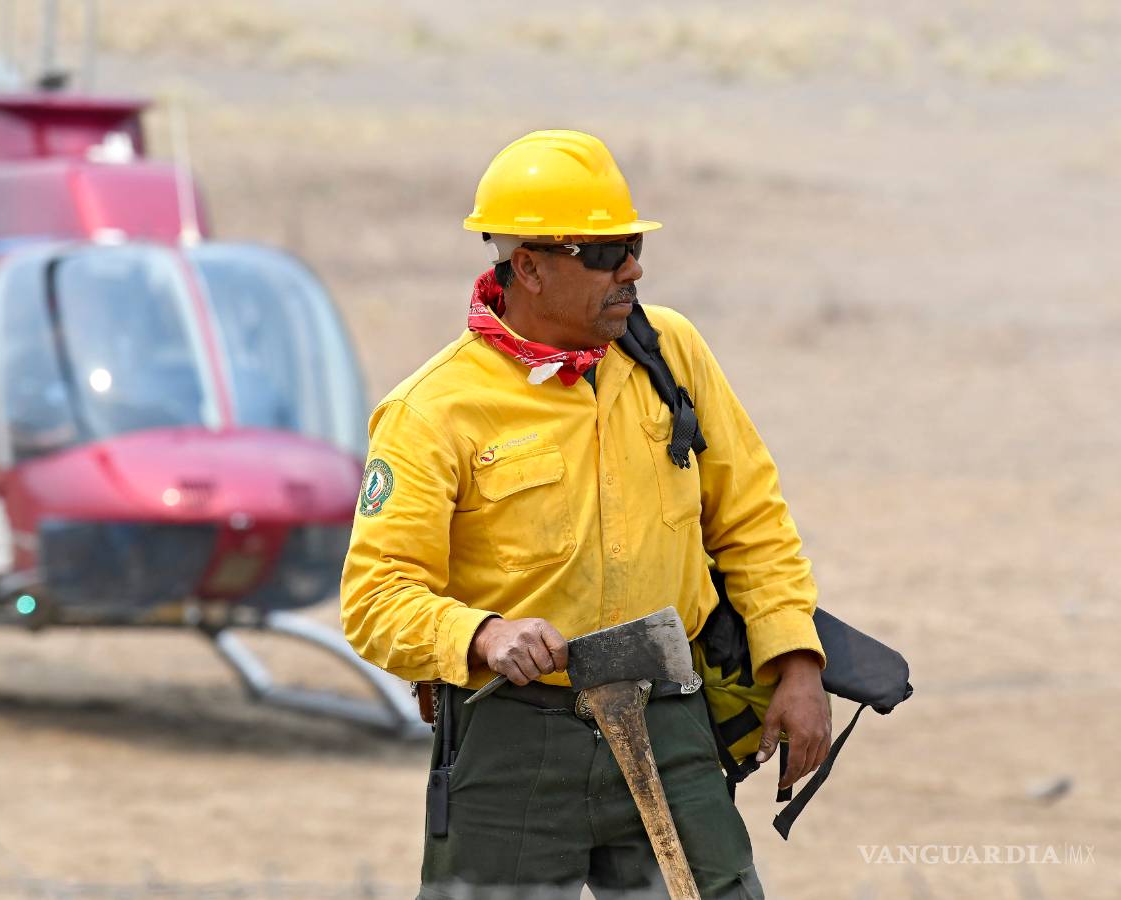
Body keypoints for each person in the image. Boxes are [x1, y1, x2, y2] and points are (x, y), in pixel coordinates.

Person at [341, 130, 831, 899]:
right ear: (527, 266)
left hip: (670, 719)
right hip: (514, 740)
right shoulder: (430, 411)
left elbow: (752, 522)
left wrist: (797, 666)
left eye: (631, 245)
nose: (631, 267)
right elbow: (375, 597)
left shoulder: (673, 353)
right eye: (603, 253)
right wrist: (483, 634)